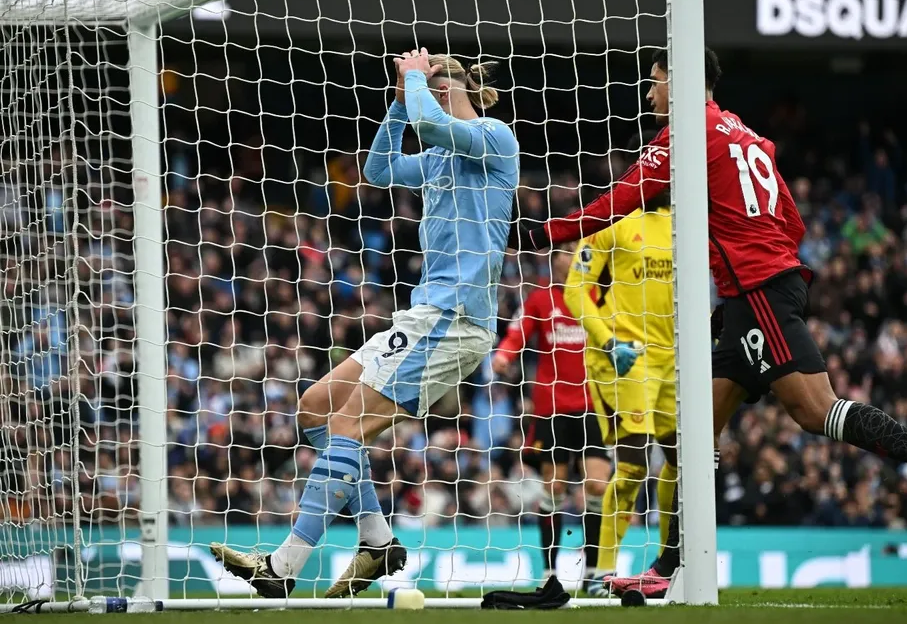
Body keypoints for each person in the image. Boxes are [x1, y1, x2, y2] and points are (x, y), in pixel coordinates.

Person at [513, 47, 907, 597]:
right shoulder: (747, 135)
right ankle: (666, 569)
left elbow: (619, 200)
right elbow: (793, 218)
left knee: (815, 411)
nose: (651, 94)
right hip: (758, 292)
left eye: (656, 83)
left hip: (758, 291)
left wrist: (540, 233)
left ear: (683, 82)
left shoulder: (686, 135)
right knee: (695, 434)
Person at [210, 48, 519, 598]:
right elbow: (377, 170)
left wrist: (416, 89)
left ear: (464, 84)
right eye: (428, 80)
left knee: (348, 427)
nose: (432, 87)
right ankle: (377, 541)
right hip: (425, 313)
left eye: (439, 78)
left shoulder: (496, 137)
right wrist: (400, 104)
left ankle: (281, 569)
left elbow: (431, 120)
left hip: (456, 319)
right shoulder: (437, 156)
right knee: (315, 411)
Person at [562, 135, 678, 595]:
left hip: (674, 363)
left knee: (681, 464)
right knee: (632, 467)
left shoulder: (682, 222)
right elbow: (575, 291)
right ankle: (599, 572)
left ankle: (667, 564)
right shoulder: (609, 219)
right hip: (626, 361)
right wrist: (609, 342)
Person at [492, 245, 610, 587]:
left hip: (592, 404)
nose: (571, 257)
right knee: (554, 489)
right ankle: (549, 571)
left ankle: (592, 572)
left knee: (596, 485)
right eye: (564, 251)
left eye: (577, 251)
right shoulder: (540, 299)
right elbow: (517, 332)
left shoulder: (597, 294)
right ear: (553, 258)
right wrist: (503, 356)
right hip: (552, 407)